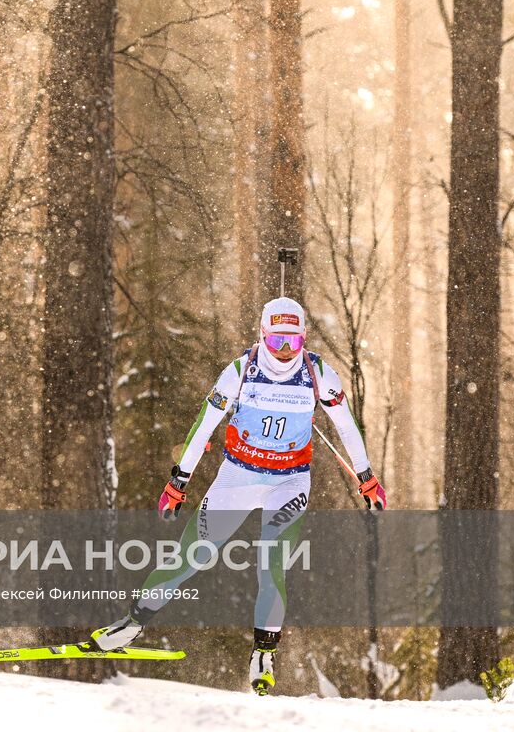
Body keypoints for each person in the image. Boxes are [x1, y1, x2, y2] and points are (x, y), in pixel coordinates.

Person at [90, 296, 387, 695]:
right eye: (277, 341)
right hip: (237, 478)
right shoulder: (239, 372)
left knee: (272, 563)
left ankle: (263, 654)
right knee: (191, 555)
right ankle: (133, 623)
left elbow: (347, 427)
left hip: (288, 483)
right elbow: (203, 426)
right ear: (262, 335)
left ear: (304, 339)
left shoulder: (318, 375)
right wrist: (179, 481)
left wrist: (367, 478)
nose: (285, 351)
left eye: (294, 342)